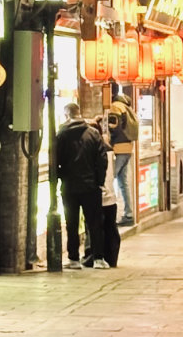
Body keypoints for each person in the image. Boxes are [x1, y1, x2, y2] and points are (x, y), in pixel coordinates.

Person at [53, 102, 107, 270]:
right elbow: (102, 160)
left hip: (69, 187)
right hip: (91, 187)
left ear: (67, 115)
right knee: (94, 223)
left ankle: (73, 258)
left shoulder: (61, 135)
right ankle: (98, 258)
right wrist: (99, 181)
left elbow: (55, 161)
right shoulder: (93, 134)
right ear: (79, 113)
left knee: (72, 223)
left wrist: (60, 178)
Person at [85, 117, 119, 270]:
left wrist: (99, 187)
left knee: (96, 228)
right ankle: (111, 258)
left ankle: (95, 256)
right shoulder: (108, 147)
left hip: (100, 194)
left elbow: (103, 173)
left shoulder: (97, 150)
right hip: (110, 195)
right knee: (110, 227)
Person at [105, 92, 138, 225]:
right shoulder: (128, 108)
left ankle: (108, 216)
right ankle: (129, 214)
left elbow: (114, 127)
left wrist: (108, 140)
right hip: (128, 148)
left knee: (108, 180)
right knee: (123, 183)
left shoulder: (115, 107)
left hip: (117, 149)